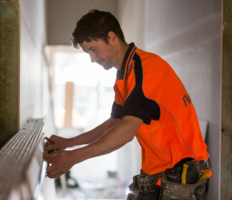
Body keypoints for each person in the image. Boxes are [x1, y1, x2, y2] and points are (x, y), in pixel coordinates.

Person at [43, 9, 211, 200]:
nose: (92, 59)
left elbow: (126, 132)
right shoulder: (125, 76)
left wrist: (73, 158)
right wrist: (69, 143)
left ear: (111, 37)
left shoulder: (146, 70)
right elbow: (113, 124)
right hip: (159, 169)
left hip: (183, 172)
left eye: (93, 49)